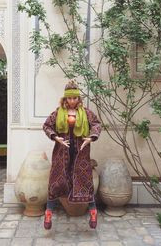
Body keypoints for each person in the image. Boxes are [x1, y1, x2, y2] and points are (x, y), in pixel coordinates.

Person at [42, 80, 102, 230]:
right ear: (65, 99)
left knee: (85, 180)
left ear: (78, 99)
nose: (72, 101)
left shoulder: (86, 113)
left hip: (81, 152)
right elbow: (46, 125)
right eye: (69, 98)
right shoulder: (58, 113)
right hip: (61, 153)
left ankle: (93, 212)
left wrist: (91, 137)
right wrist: (56, 137)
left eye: (75, 98)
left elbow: (97, 124)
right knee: (56, 181)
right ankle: (48, 213)